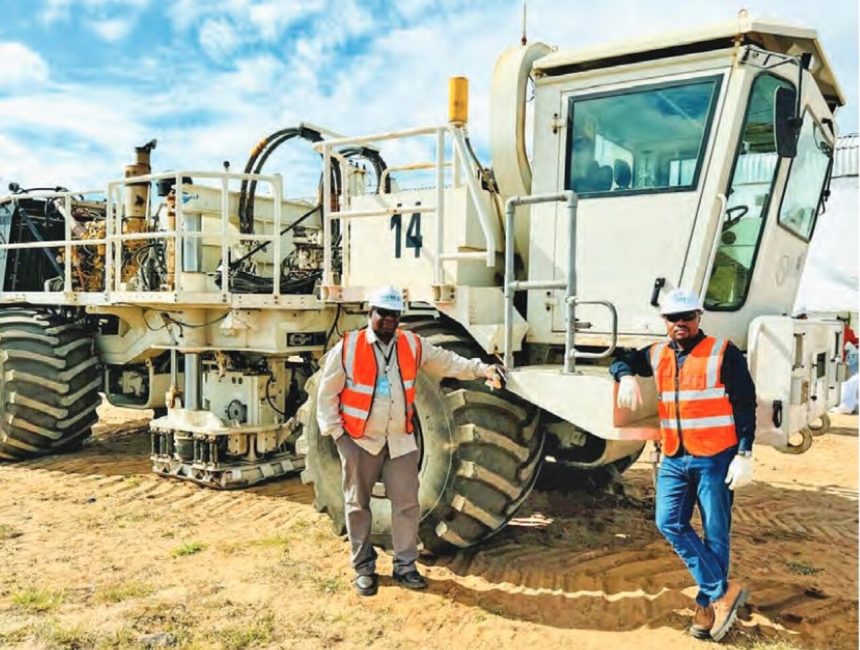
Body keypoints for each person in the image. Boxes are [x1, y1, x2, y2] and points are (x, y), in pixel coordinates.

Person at [316, 285, 505, 597]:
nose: (389, 319)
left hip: (399, 441)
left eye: (394, 314)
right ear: (370, 313)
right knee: (357, 505)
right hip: (360, 442)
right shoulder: (348, 348)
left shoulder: (412, 345)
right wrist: (338, 436)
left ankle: (405, 566)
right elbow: (327, 395)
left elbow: (448, 362)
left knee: (407, 506)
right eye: (383, 313)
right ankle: (364, 568)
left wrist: (482, 369)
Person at [610, 288, 756, 642]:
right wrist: (625, 376)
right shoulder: (658, 353)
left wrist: (745, 453)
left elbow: (745, 402)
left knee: (715, 533)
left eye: (687, 317)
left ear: (698, 317)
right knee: (668, 521)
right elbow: (620, 358)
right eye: (674, 318)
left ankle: (707, 607)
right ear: (665, 322)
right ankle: (722, 590)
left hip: (715, 457)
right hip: (675, 455)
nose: (681, 324)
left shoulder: (723, 353)